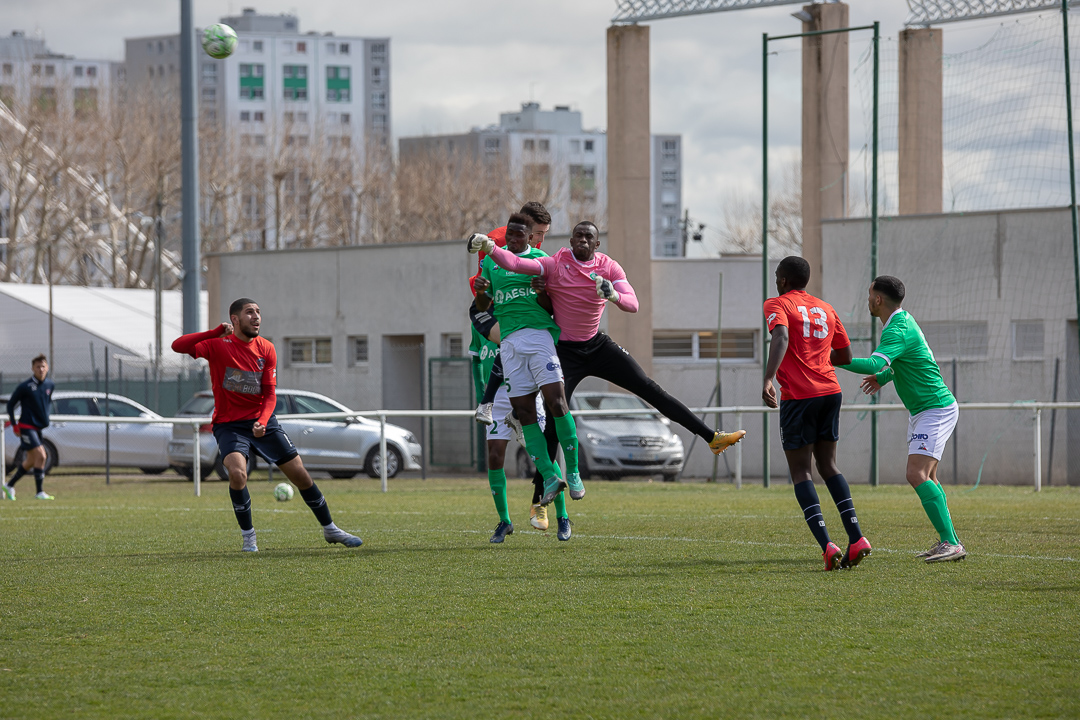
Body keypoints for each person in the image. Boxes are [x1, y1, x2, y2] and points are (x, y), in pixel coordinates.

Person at [471, 220, 745, 496]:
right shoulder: (556, 263)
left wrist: (613, 295)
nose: (582, 240)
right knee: (554, 419)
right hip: (565, 351)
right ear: (571, 241)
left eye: (588, 236)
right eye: (578, 235)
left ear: (597, 243)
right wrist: (491, 247)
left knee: (650, 389)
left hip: (597, 346)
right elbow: (516, 263)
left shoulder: (609, 267)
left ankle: (712, 437)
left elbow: (633, 304)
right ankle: (540, 500)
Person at [171, 298, 362, 553]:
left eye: (258, 312)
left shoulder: (267, 349)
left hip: (263, 422)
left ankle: (331, 529)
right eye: (250, 312)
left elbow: (270, 395)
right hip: (230, 425)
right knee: (237, 474)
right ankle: (249, 538)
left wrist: (262, 422)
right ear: (235, 319)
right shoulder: (218, 345)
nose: (256, 316)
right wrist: (215, 331)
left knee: (300, 475)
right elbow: (178, 345)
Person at [835, 275, 966, 563]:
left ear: (878, 299)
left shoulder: (897, 328)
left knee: (916, 473)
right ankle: (951, 541)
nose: (867, 300)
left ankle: (951, 543)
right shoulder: (902, 322)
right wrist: (883, 378)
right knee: (928, 476)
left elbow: (873, 362)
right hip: (925, 409)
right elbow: (906, 362)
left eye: (869, 295)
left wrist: (830, 359)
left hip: (935, 408)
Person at [470, 213, 582, 522]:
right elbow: (484, 306)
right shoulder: (492, 262)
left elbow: (554, 308)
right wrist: (482, 292)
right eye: (510, 236)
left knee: (557, 403)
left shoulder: (541, 261)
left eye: (520, 235)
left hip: (539, 339)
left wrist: (542, 291)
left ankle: (573, 474)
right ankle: (548, 480)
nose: (514, 240)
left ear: (530, 237)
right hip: (509, 344)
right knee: (524, 414)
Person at [762, 257, 871, 571]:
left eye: (777, 276)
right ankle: (857, 538)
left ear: (783, 280)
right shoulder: (826, 307)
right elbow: (846, 356)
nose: (776, 281)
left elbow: (781, 337)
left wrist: (768, 378)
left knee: (801, 471)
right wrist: (817, 357)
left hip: (800, 396)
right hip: (830, 392)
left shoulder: (777, 303)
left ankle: (827, 546)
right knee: (828, 465)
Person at [469, 322, 559, 542]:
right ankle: (505, 521)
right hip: (496, 395)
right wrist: (482, 394)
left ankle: (561, 515)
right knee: (494, 455)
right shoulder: (479, 320)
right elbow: (476, 359)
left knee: (540, 452)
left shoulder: (515, 313)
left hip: (524, 388)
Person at [471, 201, 551, 426]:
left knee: (533, 346)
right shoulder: (497, 240)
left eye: (543, 234)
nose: (541, 239)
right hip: (490, 305)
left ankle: (516, 413)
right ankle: (488, 402)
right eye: (539, 233)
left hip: (517, 307)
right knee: (513, 339)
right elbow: (488, 281)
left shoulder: (538, 251)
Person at [4, 354, 55, 500]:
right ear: (32, 368)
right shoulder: (25, 386)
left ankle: (9, 485)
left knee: (32, 461)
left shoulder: (50, 385)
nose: (41, 369)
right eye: (38, 367)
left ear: (47, 367)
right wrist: (14, 425)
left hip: (38, 428)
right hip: (26, 426)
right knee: (42, 455)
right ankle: (39, 492)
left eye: (43, 366)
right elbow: (10, 405)